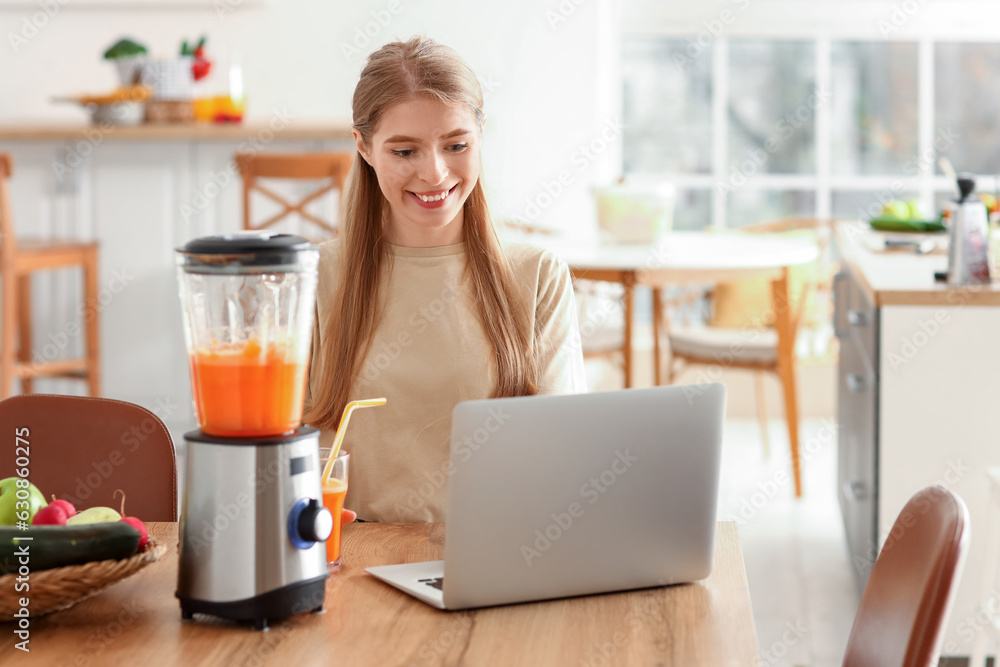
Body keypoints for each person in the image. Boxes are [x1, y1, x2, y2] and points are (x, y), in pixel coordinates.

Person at [304, 36, 586, 523]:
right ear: (364, 148)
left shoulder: (538, 275)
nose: (434, 173)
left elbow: (562, 455)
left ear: (479, 135)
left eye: (456, 145)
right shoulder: (312, 278)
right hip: (348, 556)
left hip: (497, 548)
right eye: (405, 151)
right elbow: (275, 453)